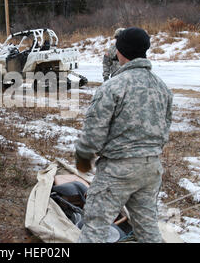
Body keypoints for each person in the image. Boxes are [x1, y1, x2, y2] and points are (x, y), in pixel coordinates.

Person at [74, 27, 173, 243]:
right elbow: (165, 128)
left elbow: (92, 135)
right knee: (148, 228)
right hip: (151, 169)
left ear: (120, 51)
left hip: (117, 170)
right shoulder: (162, 87)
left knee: (95, 228)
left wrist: (83, 159)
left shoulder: (112, 86)